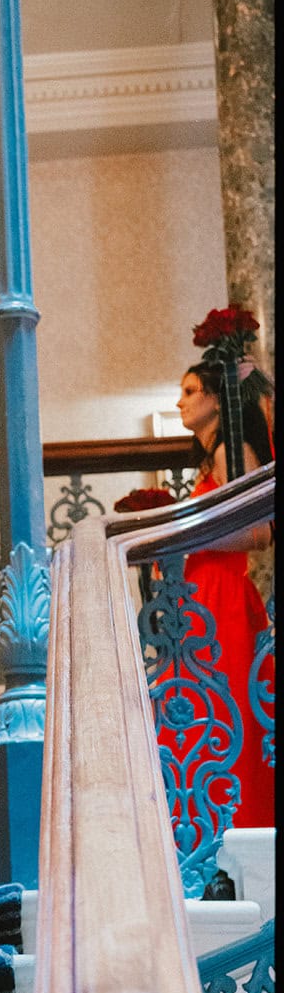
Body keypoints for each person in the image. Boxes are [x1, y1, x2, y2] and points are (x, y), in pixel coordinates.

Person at [170, 360, 275, 851]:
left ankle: (237, 829)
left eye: (191, 391)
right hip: (205, 594)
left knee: (224, 709)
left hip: (223, 596)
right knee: (206, 708)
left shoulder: (232, 450)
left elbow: (258, 530)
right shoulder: (215, 454)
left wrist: (188, 539)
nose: (181, 401)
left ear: (216, 398)